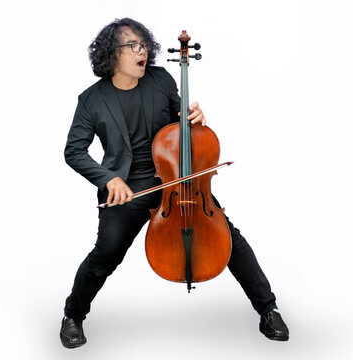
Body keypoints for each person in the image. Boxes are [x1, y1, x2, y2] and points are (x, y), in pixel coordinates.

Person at [61, 18, 288, 348]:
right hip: (127, 186)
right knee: (106, 254)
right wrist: (108, 179)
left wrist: (193, 117)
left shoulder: (160, 80)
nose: (143, 51)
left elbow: (181, 121)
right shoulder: (92, 100)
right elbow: (74, 151)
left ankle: (269, 309)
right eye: (133, 46)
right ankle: (73, 315)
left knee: (230, 239)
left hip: (176, 178)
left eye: (144, 45)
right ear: (112, 54)